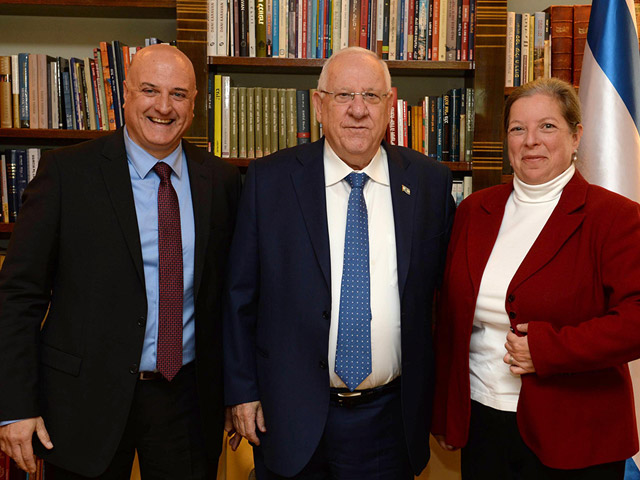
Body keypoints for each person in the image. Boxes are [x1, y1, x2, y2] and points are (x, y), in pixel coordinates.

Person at [0, 44, 241, 479]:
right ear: (124, 95)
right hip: (81, 401)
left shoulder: (220, 181)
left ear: (195, 105)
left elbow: (231, 297)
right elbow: (18, 296)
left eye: (179, 94)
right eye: (149, 90)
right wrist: (14, 404)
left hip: (185, 400)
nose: (163, 107)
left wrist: (237, 390)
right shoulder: (66, 174)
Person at [224, 46, 455, 480]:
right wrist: (242, 391)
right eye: (343, 95)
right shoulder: (268, 181)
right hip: (287, 414)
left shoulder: (429, 183)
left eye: (371, 96)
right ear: (318, 104)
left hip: (391, 417)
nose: (357, 110)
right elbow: (240, 297)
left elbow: (447, 300)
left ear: (391, 104)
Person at [432, 77, 640, 479]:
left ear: (576, 136)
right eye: (517, 128)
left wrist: (548, 350)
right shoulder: (474, 211)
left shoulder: (615, 217)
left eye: (547, 126)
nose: (531, 140)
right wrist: (447, 410)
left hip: (577, 433)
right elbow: (450, 316)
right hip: (482, 423)